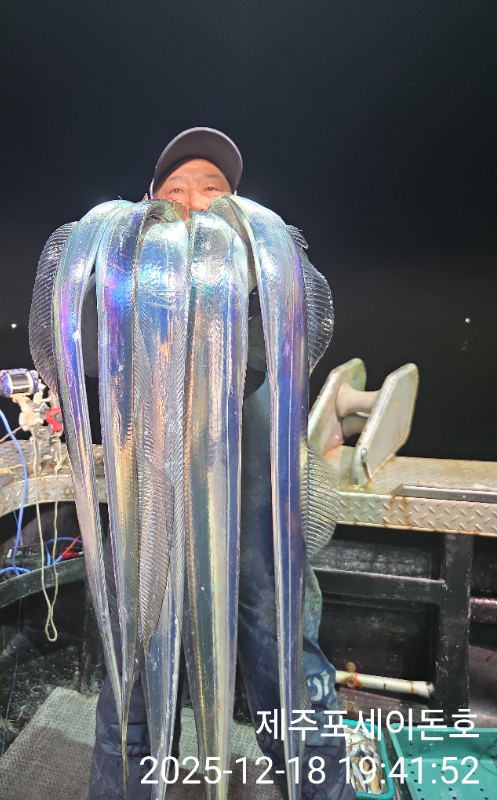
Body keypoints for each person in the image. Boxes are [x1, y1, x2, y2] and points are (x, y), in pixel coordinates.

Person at [83, 128, 354, 800]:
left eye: (212, 188)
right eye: (175, 189)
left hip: (254, 505)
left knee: (283, 657)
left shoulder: (266, 278)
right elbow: (92, 349)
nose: (192, 200)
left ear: (237, 208)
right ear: (149, 204)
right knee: (136, 665)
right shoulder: (120, 281)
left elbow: (281, 348)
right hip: (151, 496)